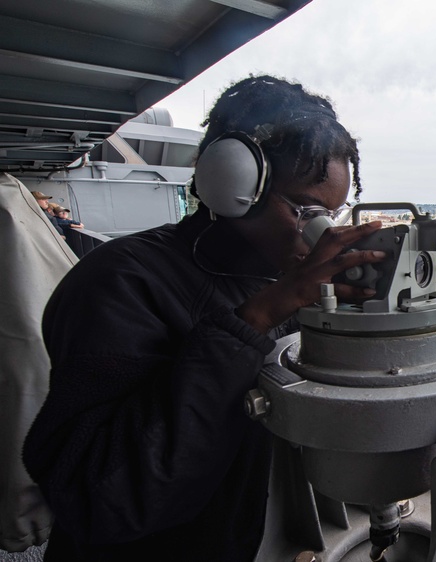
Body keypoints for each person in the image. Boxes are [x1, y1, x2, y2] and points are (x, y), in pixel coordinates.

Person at [22, 75, 385, 561]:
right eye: (305, 210)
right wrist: (258, 317)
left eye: (331, 216)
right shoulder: (119, 282)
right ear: (232, 182)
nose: (319, 234)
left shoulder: (293, 290)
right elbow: (99, 497)